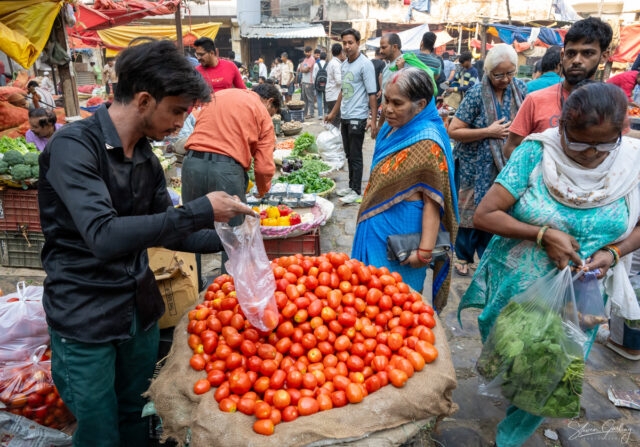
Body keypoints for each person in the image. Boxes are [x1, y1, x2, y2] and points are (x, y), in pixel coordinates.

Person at [38, 40, 255, 447]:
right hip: (85, 317)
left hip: (138, 310)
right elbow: (103, 236)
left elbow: (173, 232)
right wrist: (200, 210)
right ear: (143, 99)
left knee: (138, 417)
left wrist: (235, 240)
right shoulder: (74, 148)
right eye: (176, 111)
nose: (181, 124)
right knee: (100, 432)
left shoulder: (145, 159)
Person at [459, 81, 640, 447]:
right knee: (508, 351)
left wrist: (613, 254)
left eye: (602, 145)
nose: (590, 154)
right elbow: (485, 214)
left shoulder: (632, 164)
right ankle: (511, 391)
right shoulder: (537, 153)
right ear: (560, 129)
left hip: (582, 294)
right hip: (519, 283)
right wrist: (542, 234)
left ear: (622, 132)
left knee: (553, 364)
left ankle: (515, 430)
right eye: (578, 142)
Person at [352, 67, 458, 310]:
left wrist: (423, 253)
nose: (387, 109)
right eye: (385, 100)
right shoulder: (391, 129)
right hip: (375, 235)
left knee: (398, 307)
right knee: (367, 304)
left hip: (402, 245)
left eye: (397, 103)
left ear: (420, 104)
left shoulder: (428, 141)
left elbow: (434, 202)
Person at [183, 83, 279, 277]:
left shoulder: (221, 95)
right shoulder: (261, 111)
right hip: (226, 170)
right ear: (269, 102)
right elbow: (263, 167)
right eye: (273, 112)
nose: (271, 115)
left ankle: (194, 285)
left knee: (193, 229)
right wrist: (262, 190)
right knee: (234, 235)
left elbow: (195, 119)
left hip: (191, 164)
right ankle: (229, 290)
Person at [447, 44, 527, 276]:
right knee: (468, 214)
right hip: (474, 166)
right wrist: (487, 131)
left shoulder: (521, 88)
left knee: (495, 212)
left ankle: (487, 257)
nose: (505, 79)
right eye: (498, 74)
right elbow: (454, 130)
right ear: (488, 72)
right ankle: (463, 255)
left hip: (507, 165)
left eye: (510, 73)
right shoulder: (475, 94)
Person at [503, 17, 612, 158]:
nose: (577, 60)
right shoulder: (535, 100)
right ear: (562, 56)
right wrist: (541, 171)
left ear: (604, 56)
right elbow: (510, 147)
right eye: (571, 53)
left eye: (587, 53)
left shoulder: (610, 104)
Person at [325, 28, 378, 205]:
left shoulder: (365, 64)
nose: (347, 46)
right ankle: (351, 186)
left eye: (350, 43)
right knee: (348, 154)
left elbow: (372, 94)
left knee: (355, 155)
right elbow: (342, 92)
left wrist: (373, 119)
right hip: (346, 116)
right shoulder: (345, 64)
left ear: (358, 43)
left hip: (358, 116)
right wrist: (333, 113)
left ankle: (356, 191)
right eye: (344, 43)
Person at [325, 43, 345, 128]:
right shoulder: (336, 64)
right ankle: (334, 138)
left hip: (331, 94)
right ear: (341, 52)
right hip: (335, 95)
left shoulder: (331, 62)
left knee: (332, 120)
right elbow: (338, 81)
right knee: (335, 121)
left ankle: (332, 137)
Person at [300, 46, 317, 119]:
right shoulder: (305, 59)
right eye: (306, 52)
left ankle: (312, 113)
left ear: (311, 51)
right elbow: (302, 69)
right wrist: (303, 69)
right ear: (304, 52)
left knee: (310, 99)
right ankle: (305, 113)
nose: (307, 53)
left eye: (309, 52)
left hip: (309, 82)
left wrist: (302, 69)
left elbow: (306, 69)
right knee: (304, 99)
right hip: (304, 81)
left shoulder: (311, 59)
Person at [313, 51, 328, 119]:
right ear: (326, 57)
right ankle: (326, 112)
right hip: (326, 84)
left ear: (320, 57)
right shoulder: (328, 65)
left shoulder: (316, 64)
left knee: (319, 98)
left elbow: (314, 76)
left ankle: (320, 115)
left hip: (318, 84)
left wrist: (315, 84)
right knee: (326, 98)